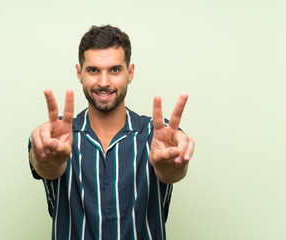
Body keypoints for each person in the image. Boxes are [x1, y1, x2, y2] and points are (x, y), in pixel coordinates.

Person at [28, 25, 195, 240]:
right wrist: (47, 160)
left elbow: (172, 172)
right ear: (80, 73)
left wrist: (171, 167)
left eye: (115, 70)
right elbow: (46, 166)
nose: (104, 82)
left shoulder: (159, 135)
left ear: (130, 72)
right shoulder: (53, 136)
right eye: (93, 70)